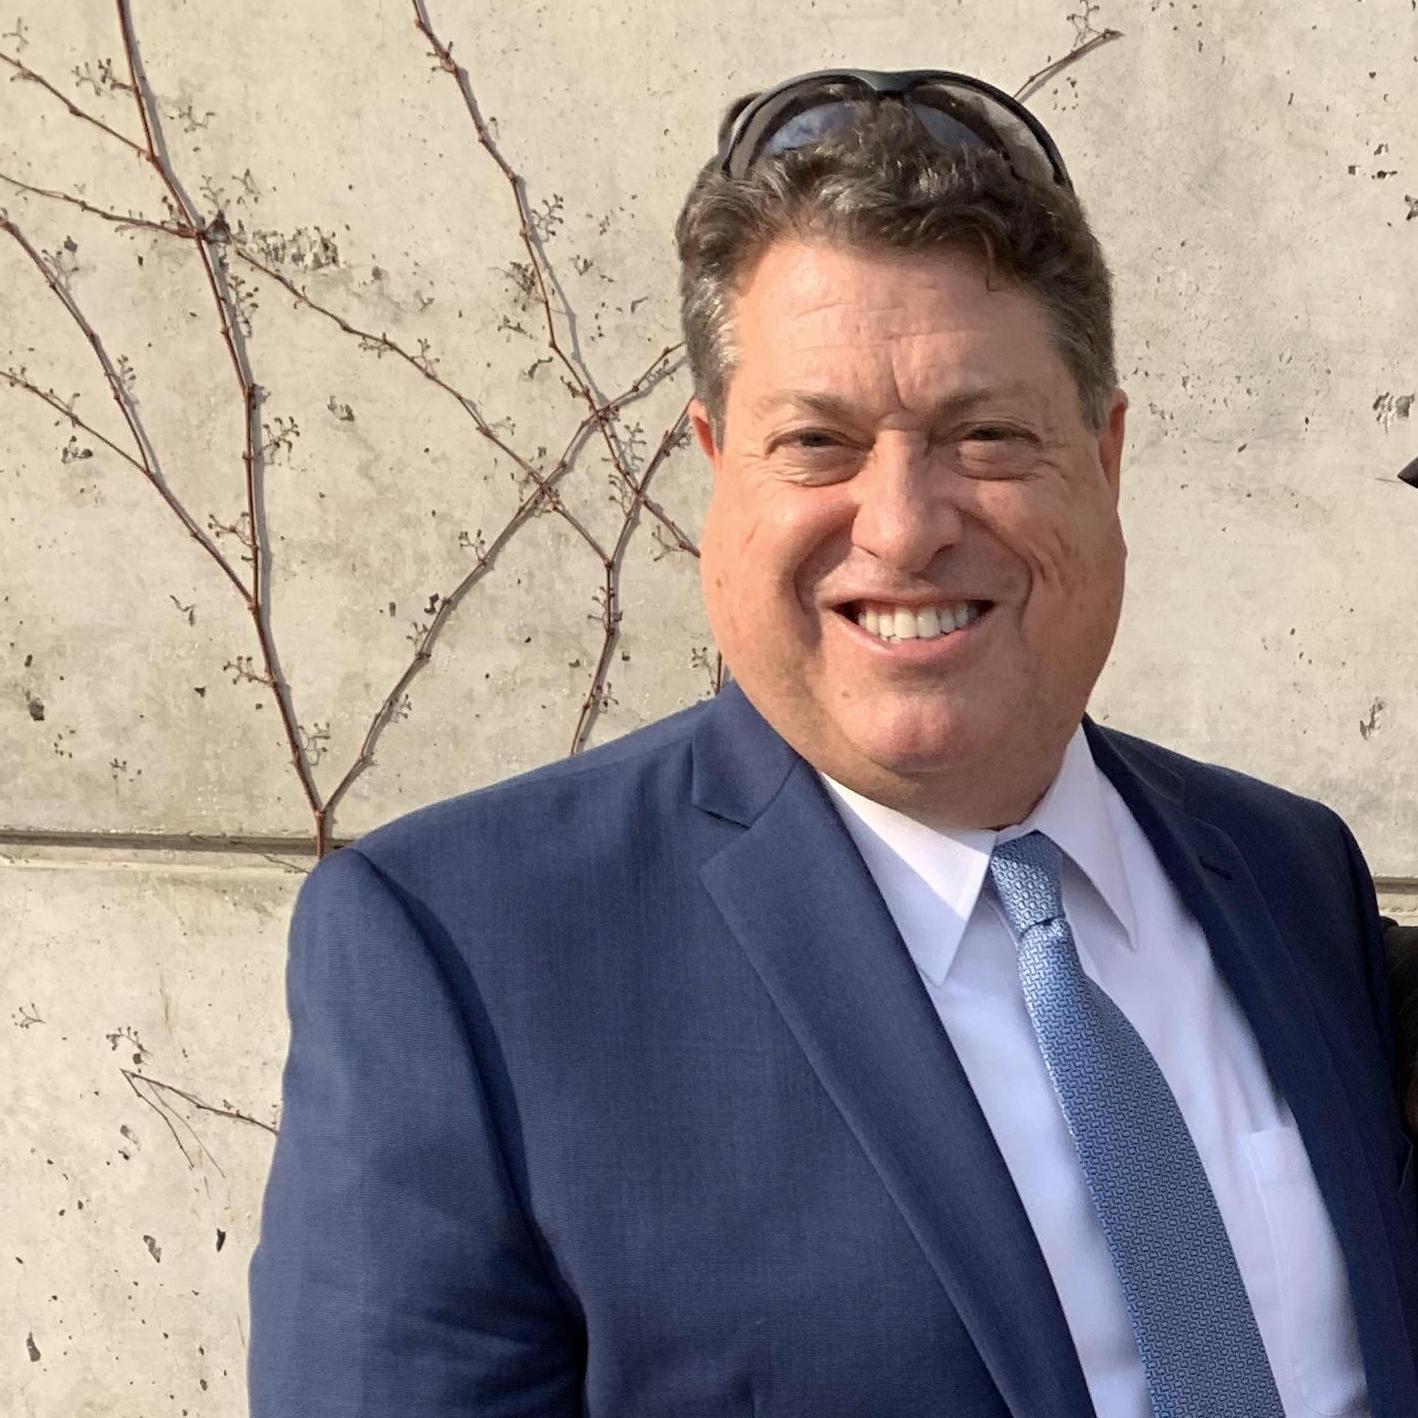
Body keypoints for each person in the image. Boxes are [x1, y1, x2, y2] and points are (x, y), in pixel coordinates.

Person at [247, 69, 1418, 1417]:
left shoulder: (1287, 876)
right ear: (716, 463)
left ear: (1103, 457)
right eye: (818, 443)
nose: (904, 524)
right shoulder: (472, 956)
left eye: (987, 434)